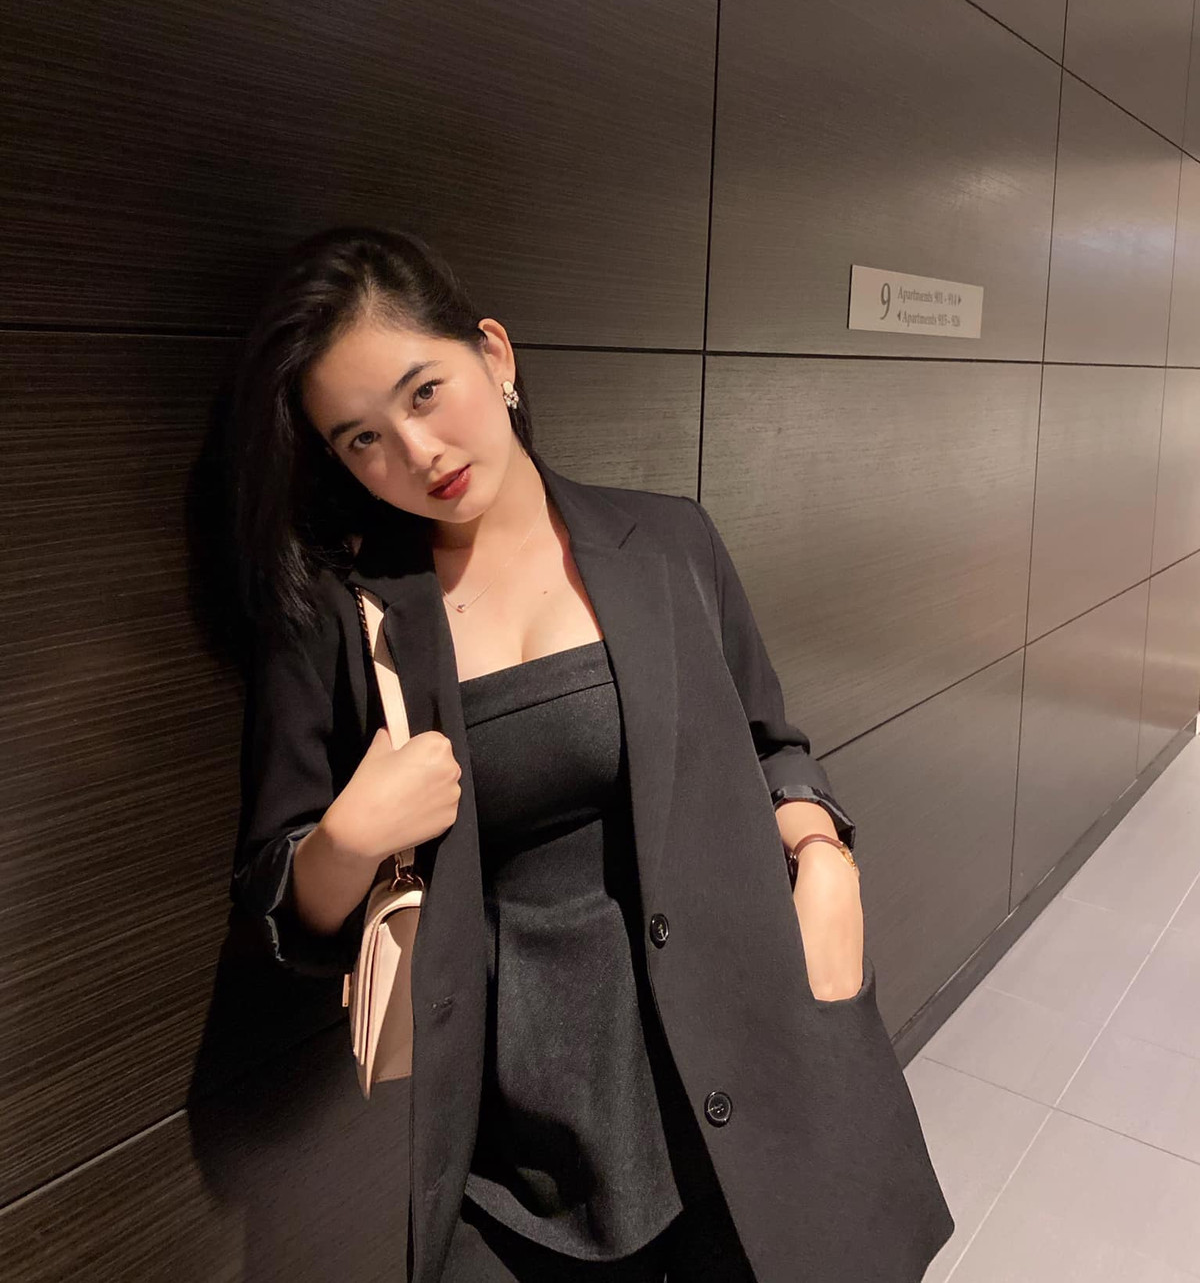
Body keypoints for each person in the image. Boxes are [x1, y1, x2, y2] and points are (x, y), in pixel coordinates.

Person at [227, 225, 955, 1283]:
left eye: (425, 393)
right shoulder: (346, 621)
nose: (416, 454)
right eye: (363, 439)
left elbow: (772, 740)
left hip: (748, 1060)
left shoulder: (668, 542)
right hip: (524, 1152)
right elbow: (275, 893)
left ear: (494, 355)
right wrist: (349, 838)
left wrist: (822, 854)